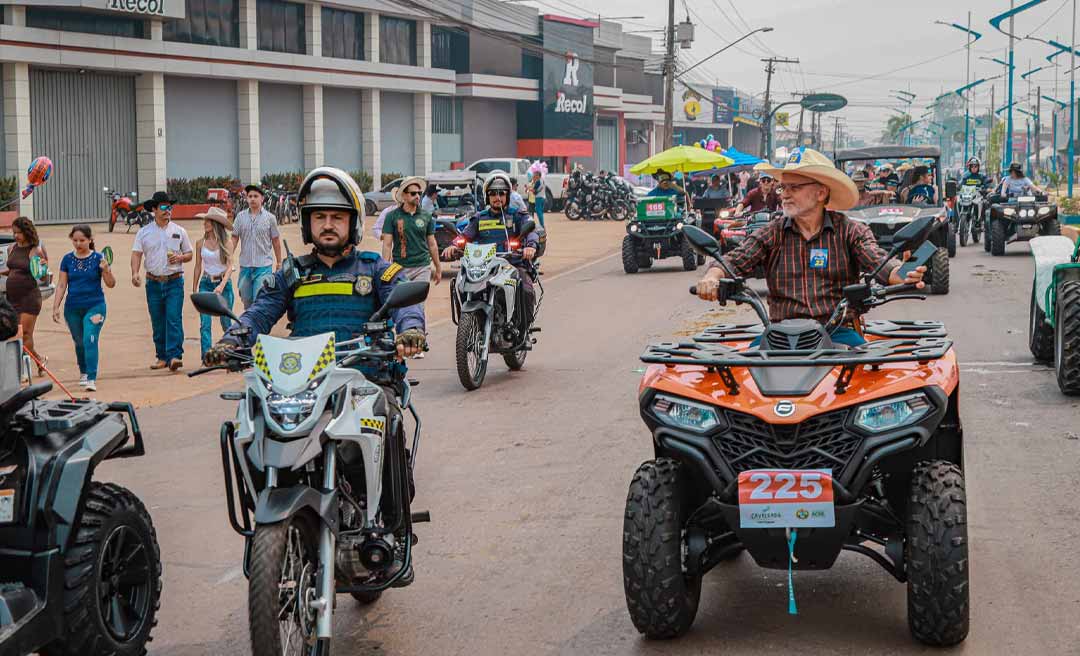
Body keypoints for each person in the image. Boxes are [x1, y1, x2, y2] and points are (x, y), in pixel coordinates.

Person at [695, 148, 927, 348]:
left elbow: (881, 263)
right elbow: (735, 260)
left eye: (794, 187)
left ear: (821, 192)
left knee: (869, 378)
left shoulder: (850, 231)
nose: (784, 194)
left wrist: (904, 273)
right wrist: (713, 276)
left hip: (837, 332)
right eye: (782, 187)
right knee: (741, 382)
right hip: (779, 335)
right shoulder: (772, 231)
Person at [204, 167, 426, 363]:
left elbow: (404, 302)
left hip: (367, 379)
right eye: (319, 217)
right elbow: (259, 313)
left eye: (337, 217)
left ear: (353, 222)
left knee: (381, 406)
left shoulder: (376, 268)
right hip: (304, 381)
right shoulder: (291, 274)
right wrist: (232, 340)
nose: (328, 225)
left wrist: (411, 330)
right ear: (308, 224)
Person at [441, 172, 540, 328]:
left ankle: (523, 329)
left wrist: (530, 246)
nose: (497, 197)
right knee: (461, 284)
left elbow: (531, 231)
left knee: (526, 290)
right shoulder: (479, 218)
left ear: (508, 195)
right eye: (493, 193)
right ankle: (470, 325)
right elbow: (465, 236)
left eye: (502, 193)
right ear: (487, 196)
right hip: (484, 266)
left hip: (512, 264)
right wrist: (454, 245)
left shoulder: (518, 216)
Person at [131, 191, 193, 371]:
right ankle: (162, 357)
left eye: (170, 207)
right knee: (157, 321)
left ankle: (174, 356)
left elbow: (189, 254)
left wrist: (180, 257)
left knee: (173, 318)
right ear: (154, 210)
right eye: (164, 207)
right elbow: (136, 254)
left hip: (174, 281)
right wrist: (135, 273)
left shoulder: (180, 231)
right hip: (153, 283)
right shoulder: (144, 233)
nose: (168, 210)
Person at [382, 176, 442, 357]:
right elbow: (387, 244)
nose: (417, 196)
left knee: (418, 305)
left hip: (422, 266)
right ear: (404, 196)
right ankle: (402, 339)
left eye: (419, 193)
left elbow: (432, 244)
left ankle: (418, 344)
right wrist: (385, 269)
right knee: (401, 305)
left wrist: (437, 267)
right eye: (413, 193)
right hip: (400, 269)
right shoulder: (392, 217)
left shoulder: (426, 216)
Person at [50, 224, 115, 391]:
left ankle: (91, 377)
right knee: (79, 342)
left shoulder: (99, 258)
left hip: (95, 306)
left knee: (90, 338)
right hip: (72, 308)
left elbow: (111, 284)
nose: (78, 243)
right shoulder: (67, 259)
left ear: (90, 240)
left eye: (82, 240)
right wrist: (56, 306)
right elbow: (62, 284)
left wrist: (106, 270)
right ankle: (84, 372)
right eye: (75, 240)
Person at [1, 217, 47, 373]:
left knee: (25, 335)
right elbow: (14, 269)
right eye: (14, 232)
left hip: (29, 298)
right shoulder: (12, 248)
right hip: (11, 299)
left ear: (27, 232)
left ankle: (21, 370)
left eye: (19, 233)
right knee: (14, 333)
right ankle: (38, 359)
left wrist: (43, 268)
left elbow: (42, 277)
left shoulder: (36, 251)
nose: (15, 236)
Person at [192, 207, 236, 359]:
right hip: (205, 282)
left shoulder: (226, 242)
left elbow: (230, 266)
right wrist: (194, 289)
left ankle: (230, 353)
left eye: (208, 220)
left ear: (215, 223)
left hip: (223, 284)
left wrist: (221, 285)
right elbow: (198, 266)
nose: (204, 223)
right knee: (205, 323)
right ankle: (206, 357)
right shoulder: (200, 243)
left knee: (225, 322)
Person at [232, 184, 282, 309]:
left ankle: (257, 327)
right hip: (245, 267)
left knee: (259, 300)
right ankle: (250, 325)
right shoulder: (240, 217)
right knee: (246, 300)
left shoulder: (270, 218)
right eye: (250, 196)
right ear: (247, 198)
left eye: (256, 196)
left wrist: (279, 262)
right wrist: (227, 257)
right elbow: (234, 238)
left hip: (263, 267)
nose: (252, 199)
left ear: (262, 199)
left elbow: (276, 240)